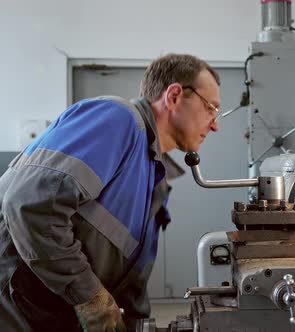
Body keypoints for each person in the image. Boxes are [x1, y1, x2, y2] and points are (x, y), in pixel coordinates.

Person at [0, 53, 221, 331]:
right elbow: (30, 205)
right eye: (211, 107)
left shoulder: (152, 174)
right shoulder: (119, 119)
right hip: (16, 311)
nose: (215, 124)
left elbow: (130, 279)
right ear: (175, 95)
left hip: (50, 316)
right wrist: (90, 297)